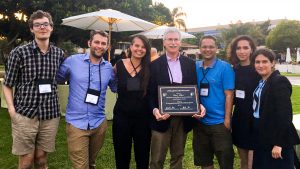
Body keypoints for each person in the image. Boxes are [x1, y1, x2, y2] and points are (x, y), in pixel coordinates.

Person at [3, 10, 64, 169]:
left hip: (50, 114)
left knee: (41, 159)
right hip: (25, 113)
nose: (42, 27)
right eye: (37, 25)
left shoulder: (58, 54)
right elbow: (7, 84)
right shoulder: (19, 52)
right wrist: (11, 109)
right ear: (31, 29)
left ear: (51, 27)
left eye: (45, 24)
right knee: (26, 160)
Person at [56, 30, 117, 169]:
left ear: (107, 46)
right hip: (77, 123)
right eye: (96, 42)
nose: (99, 46)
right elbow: (57, 78)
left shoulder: (109, 68)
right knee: (80, 166)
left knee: (91, 163)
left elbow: (116, 87)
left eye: (103, 43)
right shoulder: (72, 61)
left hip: (99, 123)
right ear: (89, 43)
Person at [149, 27, 206, 169]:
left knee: (178, 157)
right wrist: (155, 110)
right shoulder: (154, 65)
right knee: (156, 159)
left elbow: (194, 89)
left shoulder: (190, 64)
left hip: (183, 118)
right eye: (170, 39)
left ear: (180, 42)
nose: (173, 42)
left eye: (176, 39)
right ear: (164, 42)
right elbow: (149, 93)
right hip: (162, 118)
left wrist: (198, 104)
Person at [251, 48, 300, 169]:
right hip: (262, 135)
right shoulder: (261, 82)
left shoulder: (279, 81)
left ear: (272, 63)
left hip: (276, 138)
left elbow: (285, 115)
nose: (261, 65)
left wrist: (279, 144)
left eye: (264, 61)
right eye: (257, 62)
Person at [194, 35, 235, 169]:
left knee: (225, 161)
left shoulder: (225, 67)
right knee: (205, 161)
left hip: (219, 123)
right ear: (200, 49)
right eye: (204, 46)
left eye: (211, 46)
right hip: (200, 122)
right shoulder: (195, 66)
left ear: (216, 49)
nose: (208, 49)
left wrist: (227, 120)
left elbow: (229, 95)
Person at [112, 35, 151, 169]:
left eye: (143, 47)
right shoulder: (119, 64)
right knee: (121, 155)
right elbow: (111, 82)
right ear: (131, 47)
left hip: (143, 119)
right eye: (137, 46)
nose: (139, 49)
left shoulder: (149, 68)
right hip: (121, 117)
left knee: (143, 156)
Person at [228, 35, 260, 169]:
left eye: (245, 48)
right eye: (238, 48)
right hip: (239, 120)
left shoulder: (259, 69)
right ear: (235, 51)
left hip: (256, 120)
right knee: (243, 161)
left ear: (252, 49)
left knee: (253, 162)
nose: (242, 51)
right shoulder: (232, 70)